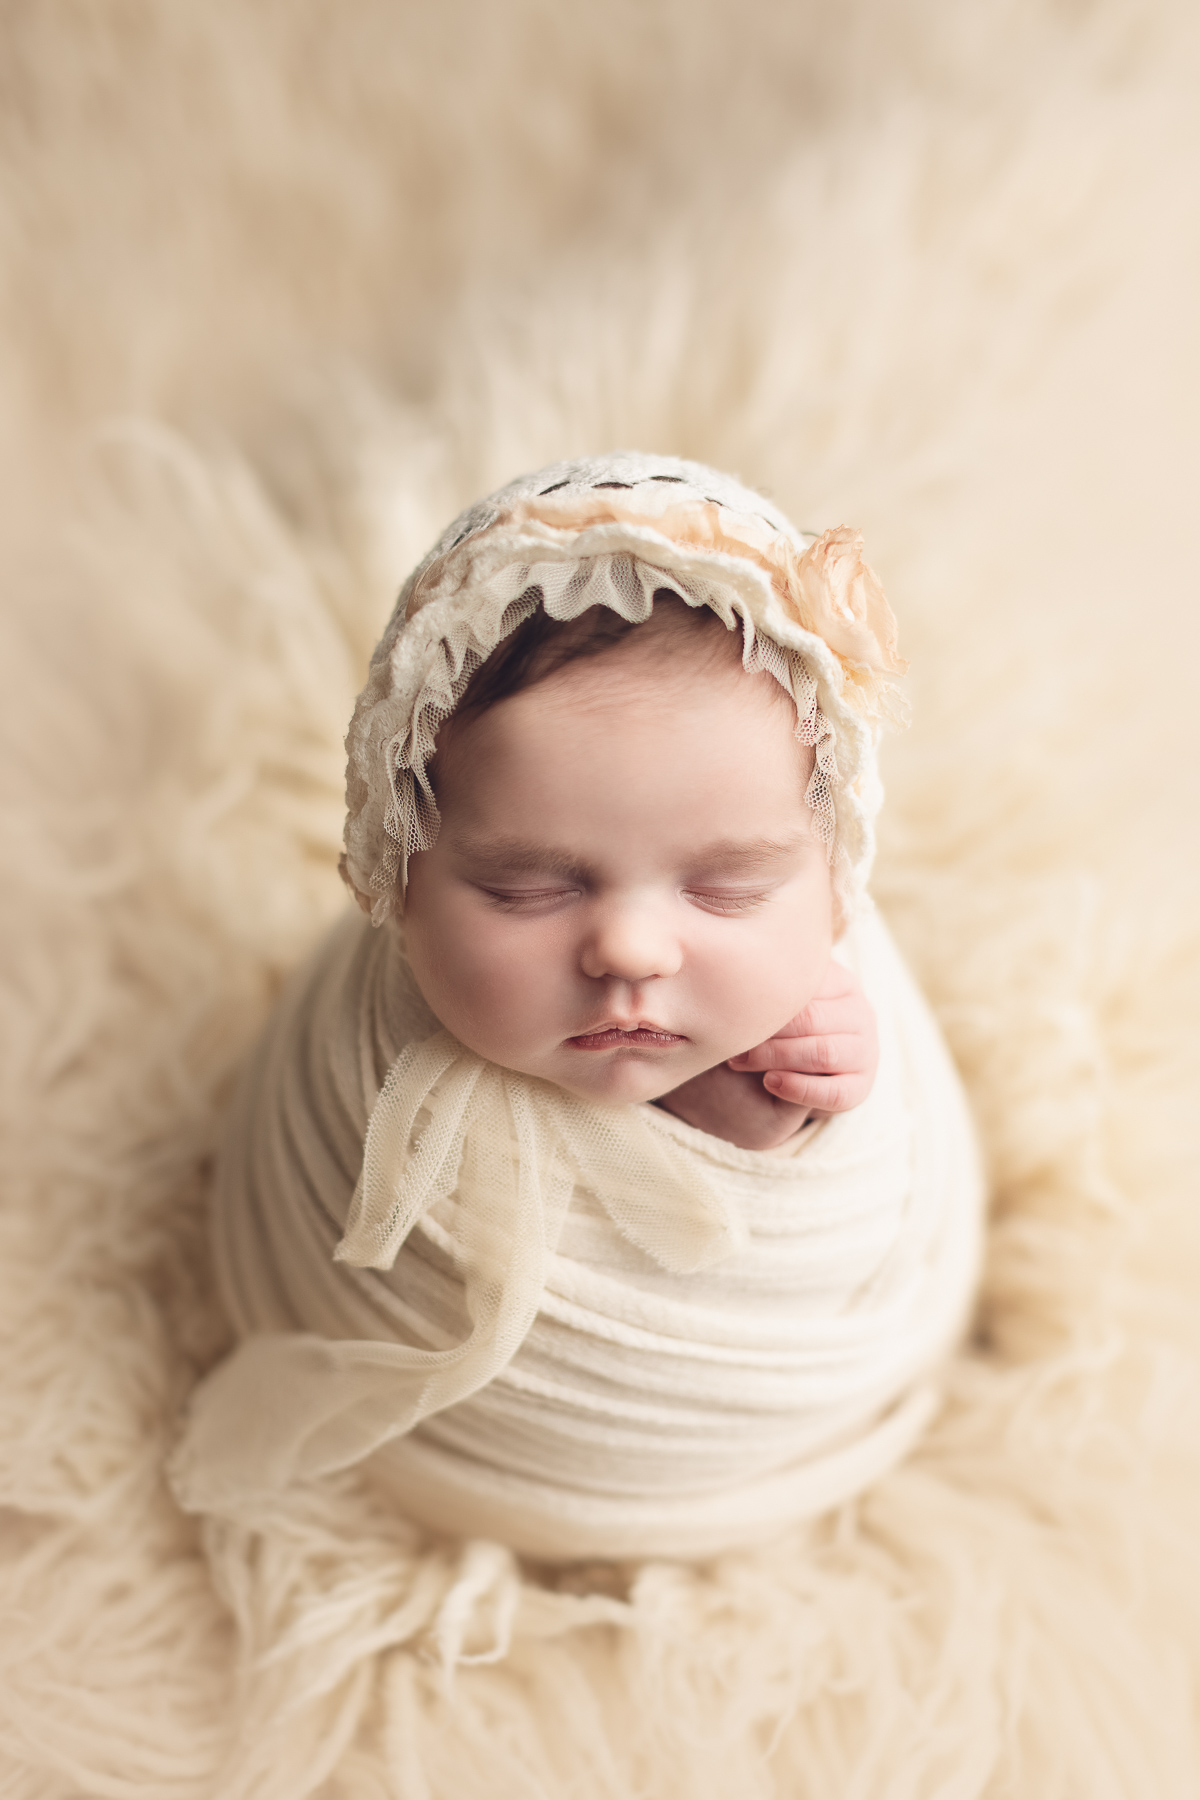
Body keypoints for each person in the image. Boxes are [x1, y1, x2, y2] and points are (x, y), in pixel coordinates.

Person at [170, 452, 983, 1563]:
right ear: (398, 867)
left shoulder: (822, 951)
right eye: (529, 887)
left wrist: (798, 1107)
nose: (631, 949)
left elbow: (814, 1228)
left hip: (744, 1436)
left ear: (835, 874)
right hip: (472, 1459)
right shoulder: (360, 1055)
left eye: (726, 887)